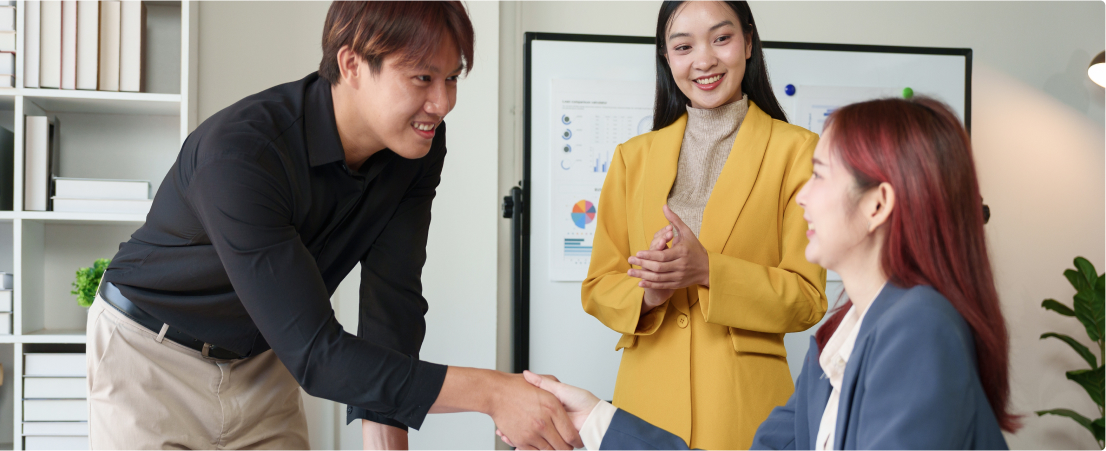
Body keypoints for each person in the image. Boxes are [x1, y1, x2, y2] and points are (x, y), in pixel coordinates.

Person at [86, 2, 580, 450]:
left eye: (452, 78)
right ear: (352, 64)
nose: (443, 102)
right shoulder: (242, 153)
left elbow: (393, 302)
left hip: (262, 362)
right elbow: (317, 355)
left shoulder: (417, 148)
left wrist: (387, 444)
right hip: (150, 357)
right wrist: (493, 393)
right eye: (422, 78)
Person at [506, 97, 1019, 450]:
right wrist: (594, 417)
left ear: (877, 204)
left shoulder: (918, 328)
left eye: (819, 175)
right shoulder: (839, 339)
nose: (800, 196)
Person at [580, 1, 826, 448]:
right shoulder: (631, 159)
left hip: (748, 411)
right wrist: (649, 295)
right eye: (683, 46)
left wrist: (708, 271)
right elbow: (597, 286)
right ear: (666, 57)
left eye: (722, 38)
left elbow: (808, 299)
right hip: (645, 406)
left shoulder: (800, 153)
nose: (704, 60)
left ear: (748, 42)